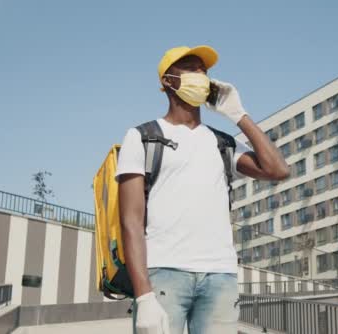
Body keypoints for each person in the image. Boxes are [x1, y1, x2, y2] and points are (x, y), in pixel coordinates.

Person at [115, 45, 290, 334]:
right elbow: (130, 221)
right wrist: (144, 295)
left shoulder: (223, 143)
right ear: (169, 81)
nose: (202, 76)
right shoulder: (143, 137)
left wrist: (238, 114)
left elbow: (277, 170)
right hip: (164, 273)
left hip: (220, 276)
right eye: (192, 69)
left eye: (204, 71)